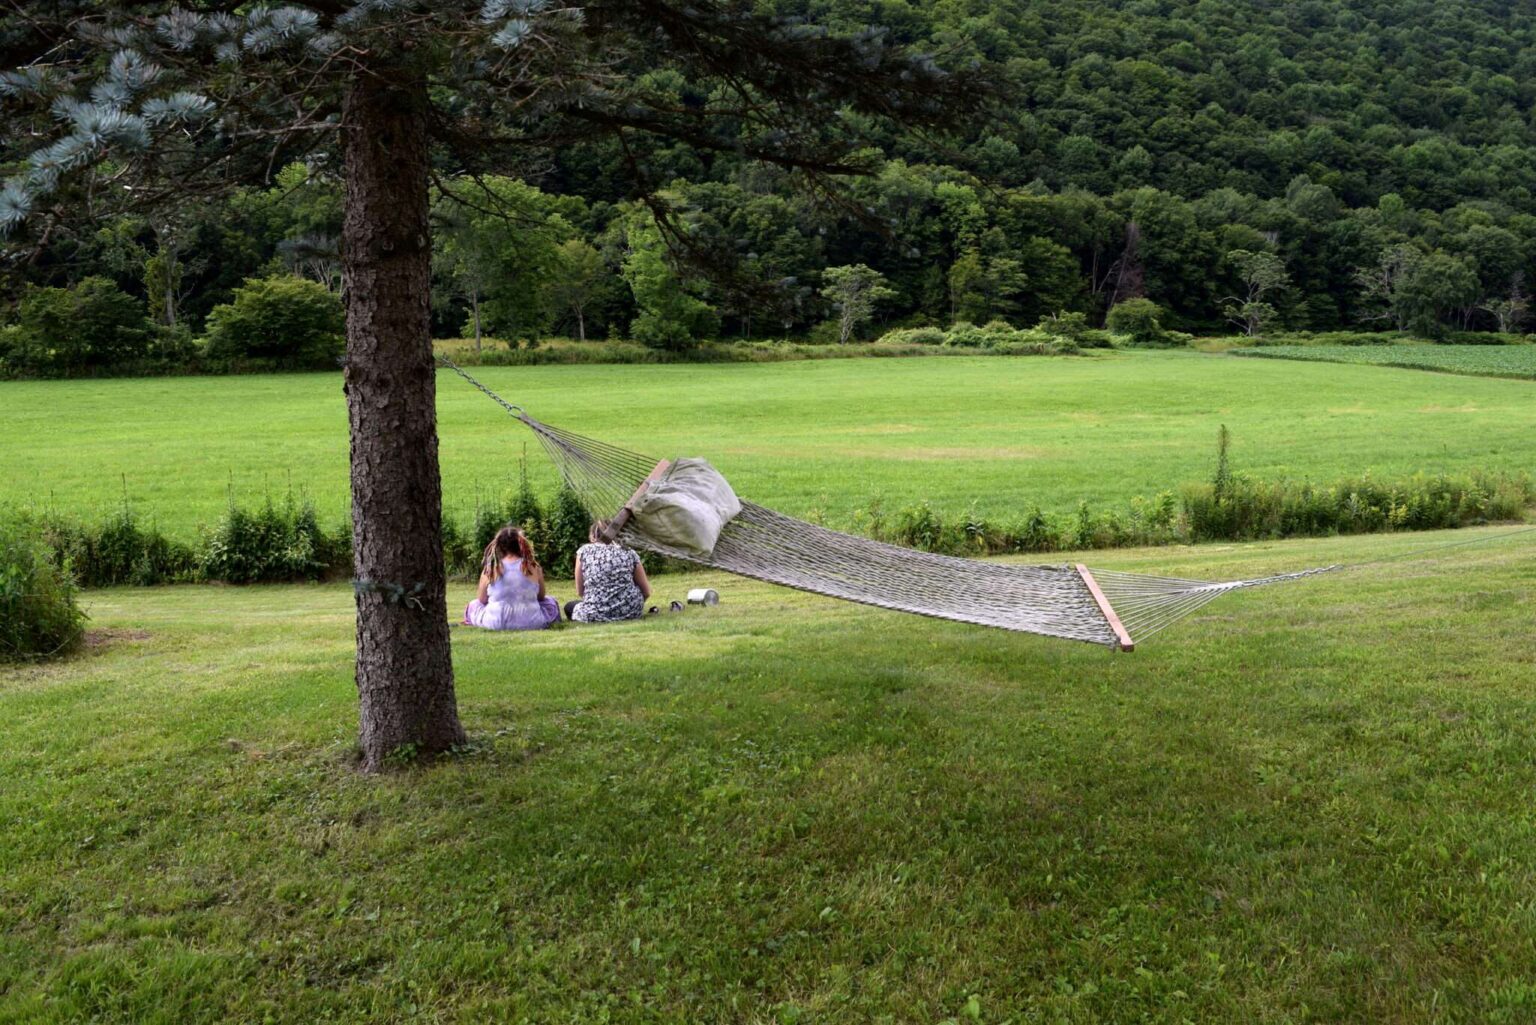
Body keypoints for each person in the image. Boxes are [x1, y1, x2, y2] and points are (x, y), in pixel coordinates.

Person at [463, 525, 560, 630]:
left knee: (473, 604)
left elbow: (481, 600)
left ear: (499, 545)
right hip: (532, 622)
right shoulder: (533, 566)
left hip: (496, 623)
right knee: (551, 601)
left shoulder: (490, 569)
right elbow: (541, 597)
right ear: (522, 544)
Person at [565, 519, 652, 623]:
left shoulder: (584, 551)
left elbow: (580, 591)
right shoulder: (629, 551)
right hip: (631, 611)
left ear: (593, 536)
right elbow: (646, 592)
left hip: (595, 613)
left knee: (569, 607)